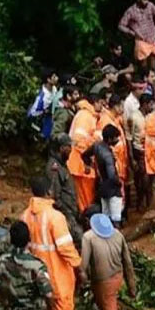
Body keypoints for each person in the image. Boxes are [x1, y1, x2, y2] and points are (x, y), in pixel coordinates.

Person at [21, 175, 83, 310]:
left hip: (37, 276)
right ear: (49, 191)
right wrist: (79, 267)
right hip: (58, 276)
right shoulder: (55, 217)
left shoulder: (24, 216)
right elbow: (65, 248)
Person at [81, 213, 136, 310]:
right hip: (118, 278)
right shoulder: (118, 234)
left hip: (103, 284)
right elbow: (128, 262)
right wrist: (132, 287)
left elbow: (82, 268)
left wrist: (82, 282)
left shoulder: (88, 238)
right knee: (111, 308)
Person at [67, 85, 101, 214]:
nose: (102, 106)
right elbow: (79, 141)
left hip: (81, 163)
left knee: (85, 197)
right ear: (95, 103)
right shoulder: (85, 116)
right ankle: (86, 218)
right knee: (85, 198)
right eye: (101, 103)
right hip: (81, 165)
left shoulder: (88, 115)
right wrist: (87, 161)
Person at [46, 134, 84, 247]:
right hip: (65, 215)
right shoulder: (54, 168)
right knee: (80, 239)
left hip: (71, 212)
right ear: (62, 148)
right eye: (69, 147)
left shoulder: (62, 165)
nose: (71, 150)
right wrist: (67, 216)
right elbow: (54, 196)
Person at [83, 124, 125, 226]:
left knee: (106, 217)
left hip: (102, 186)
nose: (117, 140)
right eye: (116, 138)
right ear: (110, 139)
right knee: (116, 218)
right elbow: (111, 175)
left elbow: (85, 155)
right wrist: (118, 184)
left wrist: (88, 165)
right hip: (112, 189)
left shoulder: (97, 146)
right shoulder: (108, 156)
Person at [118, 0, 155, 71]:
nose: (146, 2)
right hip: (141, 40)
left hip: (151, 39)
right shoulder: (131, 11)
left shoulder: (150, 6)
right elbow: (121, 25)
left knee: (153, 67)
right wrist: (132, 33)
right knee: (144, 67)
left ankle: (152, 77)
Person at [122, 81, 149, 211]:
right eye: (151, 104)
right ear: (145, 104)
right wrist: (131, 156)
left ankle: (146, 200)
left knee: (147, 178)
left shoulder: (150, 117)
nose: (153, 106)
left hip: (148, 150)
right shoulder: (133, 117)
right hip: (138, 150)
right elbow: (129, 137)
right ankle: (140, 202)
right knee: (141, 178)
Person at [27, 70, 61, 141]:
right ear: (48, 80)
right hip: (41, 119)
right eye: (54, 77)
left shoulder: (54, 89)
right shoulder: (42, 96)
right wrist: (44, 111)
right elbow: (32, 112)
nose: (57, 78)